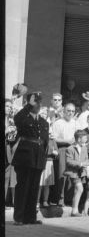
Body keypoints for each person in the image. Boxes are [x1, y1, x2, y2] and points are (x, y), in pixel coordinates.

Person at [12, 92, 50, 225]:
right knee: (23, 186)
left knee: (34, 188)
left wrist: (43, 158)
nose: (38, 104)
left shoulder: (44, 122)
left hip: (38, 158)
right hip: (25, 157)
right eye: (35, 102)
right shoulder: (23, 118)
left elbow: (45, 142)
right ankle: (19, 217)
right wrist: (29, 105)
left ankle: (30, 217)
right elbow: (17, 118)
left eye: (39, 102)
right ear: (28, 103)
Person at [51, 103, 77, 205]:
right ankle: (60, 198)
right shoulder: (58, 123)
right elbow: (54, 138)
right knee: (62, 173)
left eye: (72, 111)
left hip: (73, 149)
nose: (70, 113)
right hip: (62, 148)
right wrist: (66, 141)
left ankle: (68, 198)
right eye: (68, 110)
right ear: (64, 111)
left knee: (72, 172)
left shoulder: (75, 123)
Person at [64, 129, 89, 217]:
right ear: (79, 139)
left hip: (81, 172)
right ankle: (74, 210)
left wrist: (86, 163)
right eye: (85, 138)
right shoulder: (70, 148)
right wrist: (81, 164)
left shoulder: (84, 148)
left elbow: (86, 159)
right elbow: (69, 161)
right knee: (80, 189)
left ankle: (74, 210)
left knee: (77, 190)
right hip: (73, 172)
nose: (86, 139)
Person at [38, 135, 58, 207]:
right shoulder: (39, 138)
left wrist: (54, 152)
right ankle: (37, 202)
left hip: (49, 162)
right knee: (39, 184)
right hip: (40, 162)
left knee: (47, 184)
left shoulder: (52, 140)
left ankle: (45, 201)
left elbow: (56, 152)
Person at [5, 99, 18, 207]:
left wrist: (13, 133)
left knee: (6, 178)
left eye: (10, 107)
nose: (9, 108)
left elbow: (10, 139)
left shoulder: (10, 120)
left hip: (8, 151)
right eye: (7, 106)